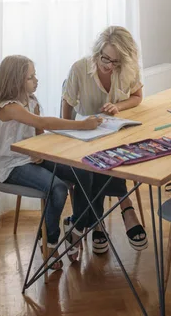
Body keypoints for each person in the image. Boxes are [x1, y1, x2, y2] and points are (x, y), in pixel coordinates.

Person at [0, 55, 102, 270]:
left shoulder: (32, 102)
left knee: (84, 171)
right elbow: (42, 123)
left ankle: (77, 229)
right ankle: (49, 242)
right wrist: (81, 125)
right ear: (16, 81)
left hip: (31, 158)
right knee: (57, 188)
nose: (36, 80)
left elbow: (40, 135)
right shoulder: (9, 107)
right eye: (30, 77)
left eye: (34, 75)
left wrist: (51, 152)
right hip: (11, 165)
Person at [62, 26, 148, 254]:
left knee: (115, 153)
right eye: (105, 58)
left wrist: (118, 106)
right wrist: (68, 136)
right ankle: (125, 208)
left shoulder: (128, 69)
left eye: (116, 62)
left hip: (115, 131)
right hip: (86, 134)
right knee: (98, 161)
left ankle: (96, 221)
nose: (109, 66)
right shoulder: (80, 68)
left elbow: (138, 97)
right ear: (97, 50)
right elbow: (67, 103)